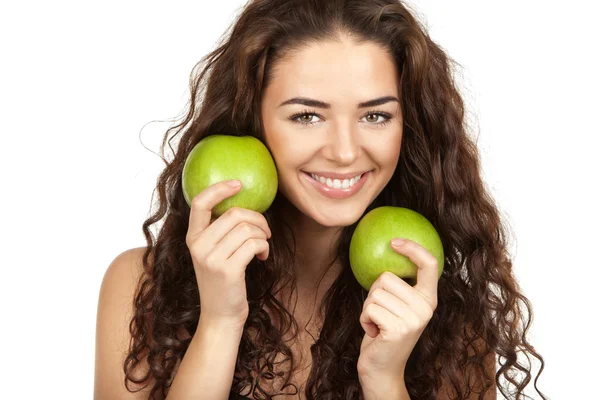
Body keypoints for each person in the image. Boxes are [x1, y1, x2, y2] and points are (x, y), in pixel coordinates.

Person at [94, 0, 548, 399]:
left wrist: (385, 379)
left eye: (375, 115)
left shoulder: (453, 327)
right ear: (251, 119)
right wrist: (219, 321)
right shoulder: (140, 287)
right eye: (307, 115)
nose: (346, 152)